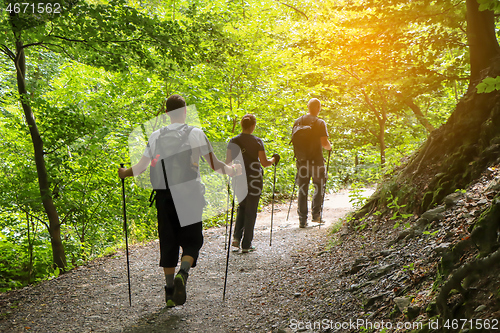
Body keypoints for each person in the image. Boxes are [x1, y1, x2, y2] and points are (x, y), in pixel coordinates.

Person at [118, 94, 241, 308]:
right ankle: (182, 275)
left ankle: (169, 293)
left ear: (166, 114)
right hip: (190, 194)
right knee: (193, 241)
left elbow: (140, 168)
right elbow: (214, 164)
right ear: (185, 111)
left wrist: (123, 173)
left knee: (168, 241)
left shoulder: (156, 135)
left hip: (164, 197)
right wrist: (231, 171)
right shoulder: (196, 133)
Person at [226, 114, 279, 253]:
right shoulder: (257, 141)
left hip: (239, 177)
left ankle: (236, 238)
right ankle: (247, 243)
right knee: (251, 209)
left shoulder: (233, 141)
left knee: (242, 206)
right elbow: (265, 163)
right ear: (253, 126)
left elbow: (228, 163)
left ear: (242, 125)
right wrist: (274, 159)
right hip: (255, 178)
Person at [292, 98, 332, 228]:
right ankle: (316, 216)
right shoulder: (320, 123)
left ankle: (302, 220)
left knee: (302, 188)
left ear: (308, 107)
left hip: (301, 161)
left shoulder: (298, 121)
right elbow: (324, 143)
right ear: (318, 108)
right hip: (316, 161)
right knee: (319, 187)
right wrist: (330, 148)